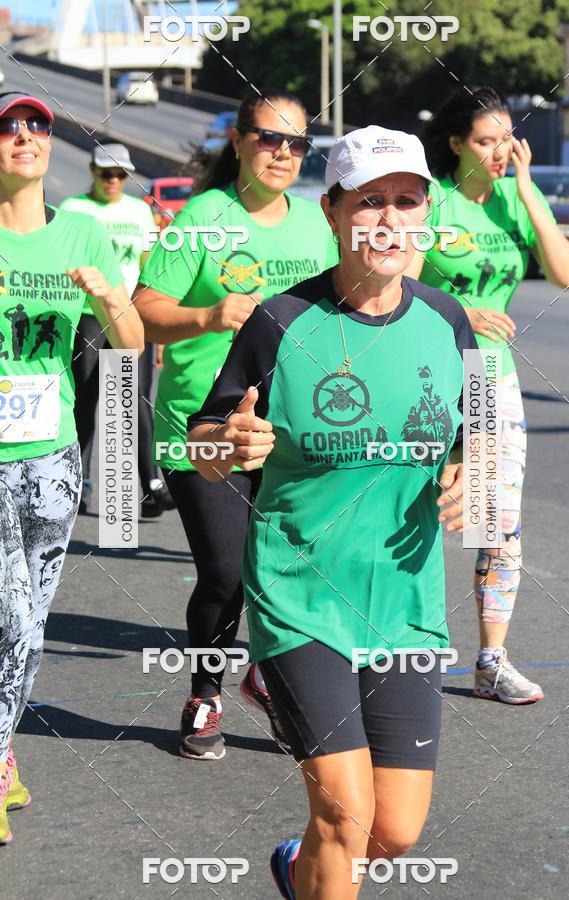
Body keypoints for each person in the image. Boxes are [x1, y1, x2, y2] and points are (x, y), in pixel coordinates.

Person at [187, 125, 477, 899]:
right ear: (333, 212)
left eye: (407, 201)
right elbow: (204, 439)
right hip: (302, 596)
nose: (389, 219)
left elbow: (475, 434)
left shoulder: (449, 321)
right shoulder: (281, 322)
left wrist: (467, 469)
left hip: (407, 603)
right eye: (369, 201)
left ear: (427, 214)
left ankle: (294, 869)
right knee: (346, 814)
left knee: (393, 832)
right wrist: (229, 440)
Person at [134, 87, 339, 761]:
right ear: (239, 141)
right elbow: (142, 311)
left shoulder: (316, 224)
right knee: (224, 570)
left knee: (288, 571)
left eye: (296, 143)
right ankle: (204, 693)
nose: (282, 153)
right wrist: (208, 317)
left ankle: (270, 679)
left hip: (291, 429)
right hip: (206, 426)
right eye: (268, 138)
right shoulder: (204, 217)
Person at [0, 92, 144, 845]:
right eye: (7, 127)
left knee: (32, 622)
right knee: (11, 616)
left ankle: (1, 748)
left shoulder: (83, 230)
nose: (24, 137)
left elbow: (130, 344)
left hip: (54, 456)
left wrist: (112, 296)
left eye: (38, 126)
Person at [415, 85, 569, 703]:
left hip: (491, 383)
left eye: (506, 140)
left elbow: (566, 272)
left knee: (497, 524)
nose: (498, 151)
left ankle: (490, 661)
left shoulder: (515, 197)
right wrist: (463, 310)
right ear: (456, 143)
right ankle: (385, 646)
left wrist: (528, 185)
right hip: (426, 375)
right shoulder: (430, 202)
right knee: (412, 514)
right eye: (485, 141)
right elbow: (395, 284)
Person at [60, 144, 173, 518]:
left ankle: (150, 484)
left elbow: (148, 267)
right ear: (91, 170)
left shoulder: (140, 211)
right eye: (106, 173)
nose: (113, 181)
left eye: (121, 175)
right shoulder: (74, 210)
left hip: (128, 313)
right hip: (90, 312)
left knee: (135, 400)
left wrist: (150, 319)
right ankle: (79, 482)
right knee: (87, 398)